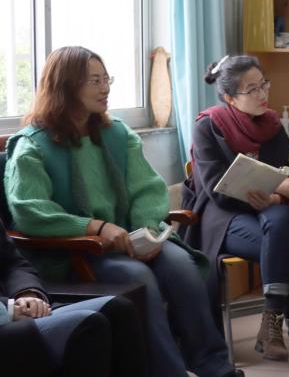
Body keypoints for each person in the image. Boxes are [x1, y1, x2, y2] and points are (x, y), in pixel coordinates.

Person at [3, 46, 243, 377]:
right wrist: (95, 227)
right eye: (95, 81)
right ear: (66, 85)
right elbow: (30, 211)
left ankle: (213, 365)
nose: (105, 88)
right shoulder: (31, 145)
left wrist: (148, 233)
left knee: (181, 265)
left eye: (107, 79)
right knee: (139, 278)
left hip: (129, 241)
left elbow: (148, 188)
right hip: (76, 252)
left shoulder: (116, 133)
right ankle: (167, 372)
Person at [181, 55, 289, 377]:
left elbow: (281, 173)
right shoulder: (208, 126)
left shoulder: (274, 127)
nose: (262, 94)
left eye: (264, 85)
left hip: (267, 211)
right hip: (220, 216)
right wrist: (276, 193)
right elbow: (217, 190)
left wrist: (281, 192)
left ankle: (272, 321)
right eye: (252, 89)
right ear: (230, 98)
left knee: (284, 224)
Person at [0, 218, 146, 377]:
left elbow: (13, 264)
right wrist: (11, 309)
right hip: (5, 321)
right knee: (88, 325)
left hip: (17, 309)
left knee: (119, 309)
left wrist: (27, 293)